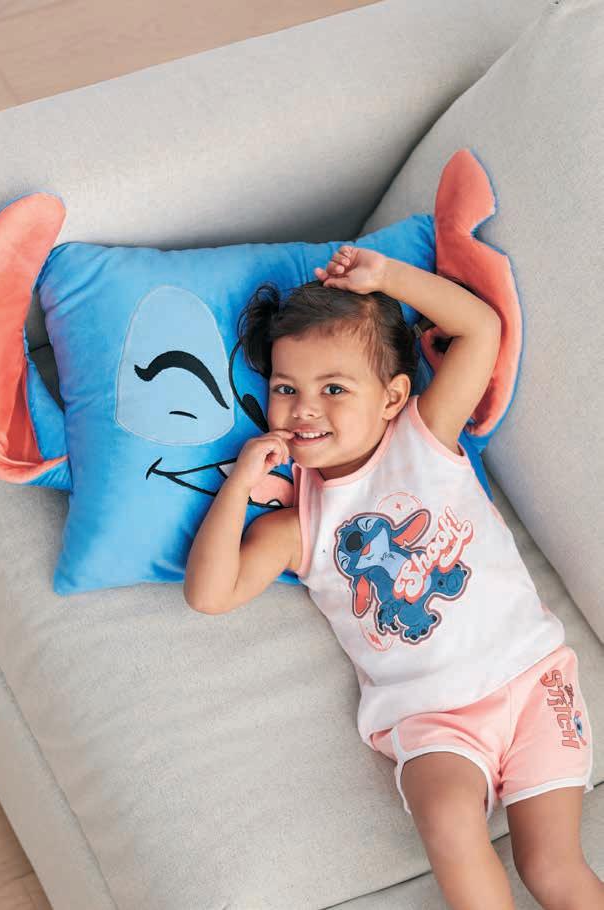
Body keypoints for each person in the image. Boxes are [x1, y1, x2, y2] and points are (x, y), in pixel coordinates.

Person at [183, 245, 601, 910]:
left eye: (334, 389)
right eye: (286, 389)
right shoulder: (300, 526)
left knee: (550, 867)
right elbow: (209, 594)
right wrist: (237, 484)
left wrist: (388, 278)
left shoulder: (423, 436)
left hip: (531, 678)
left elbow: (481, 330)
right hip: (430, 718)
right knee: (450, 821)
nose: (304, 409)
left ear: (393, 397)